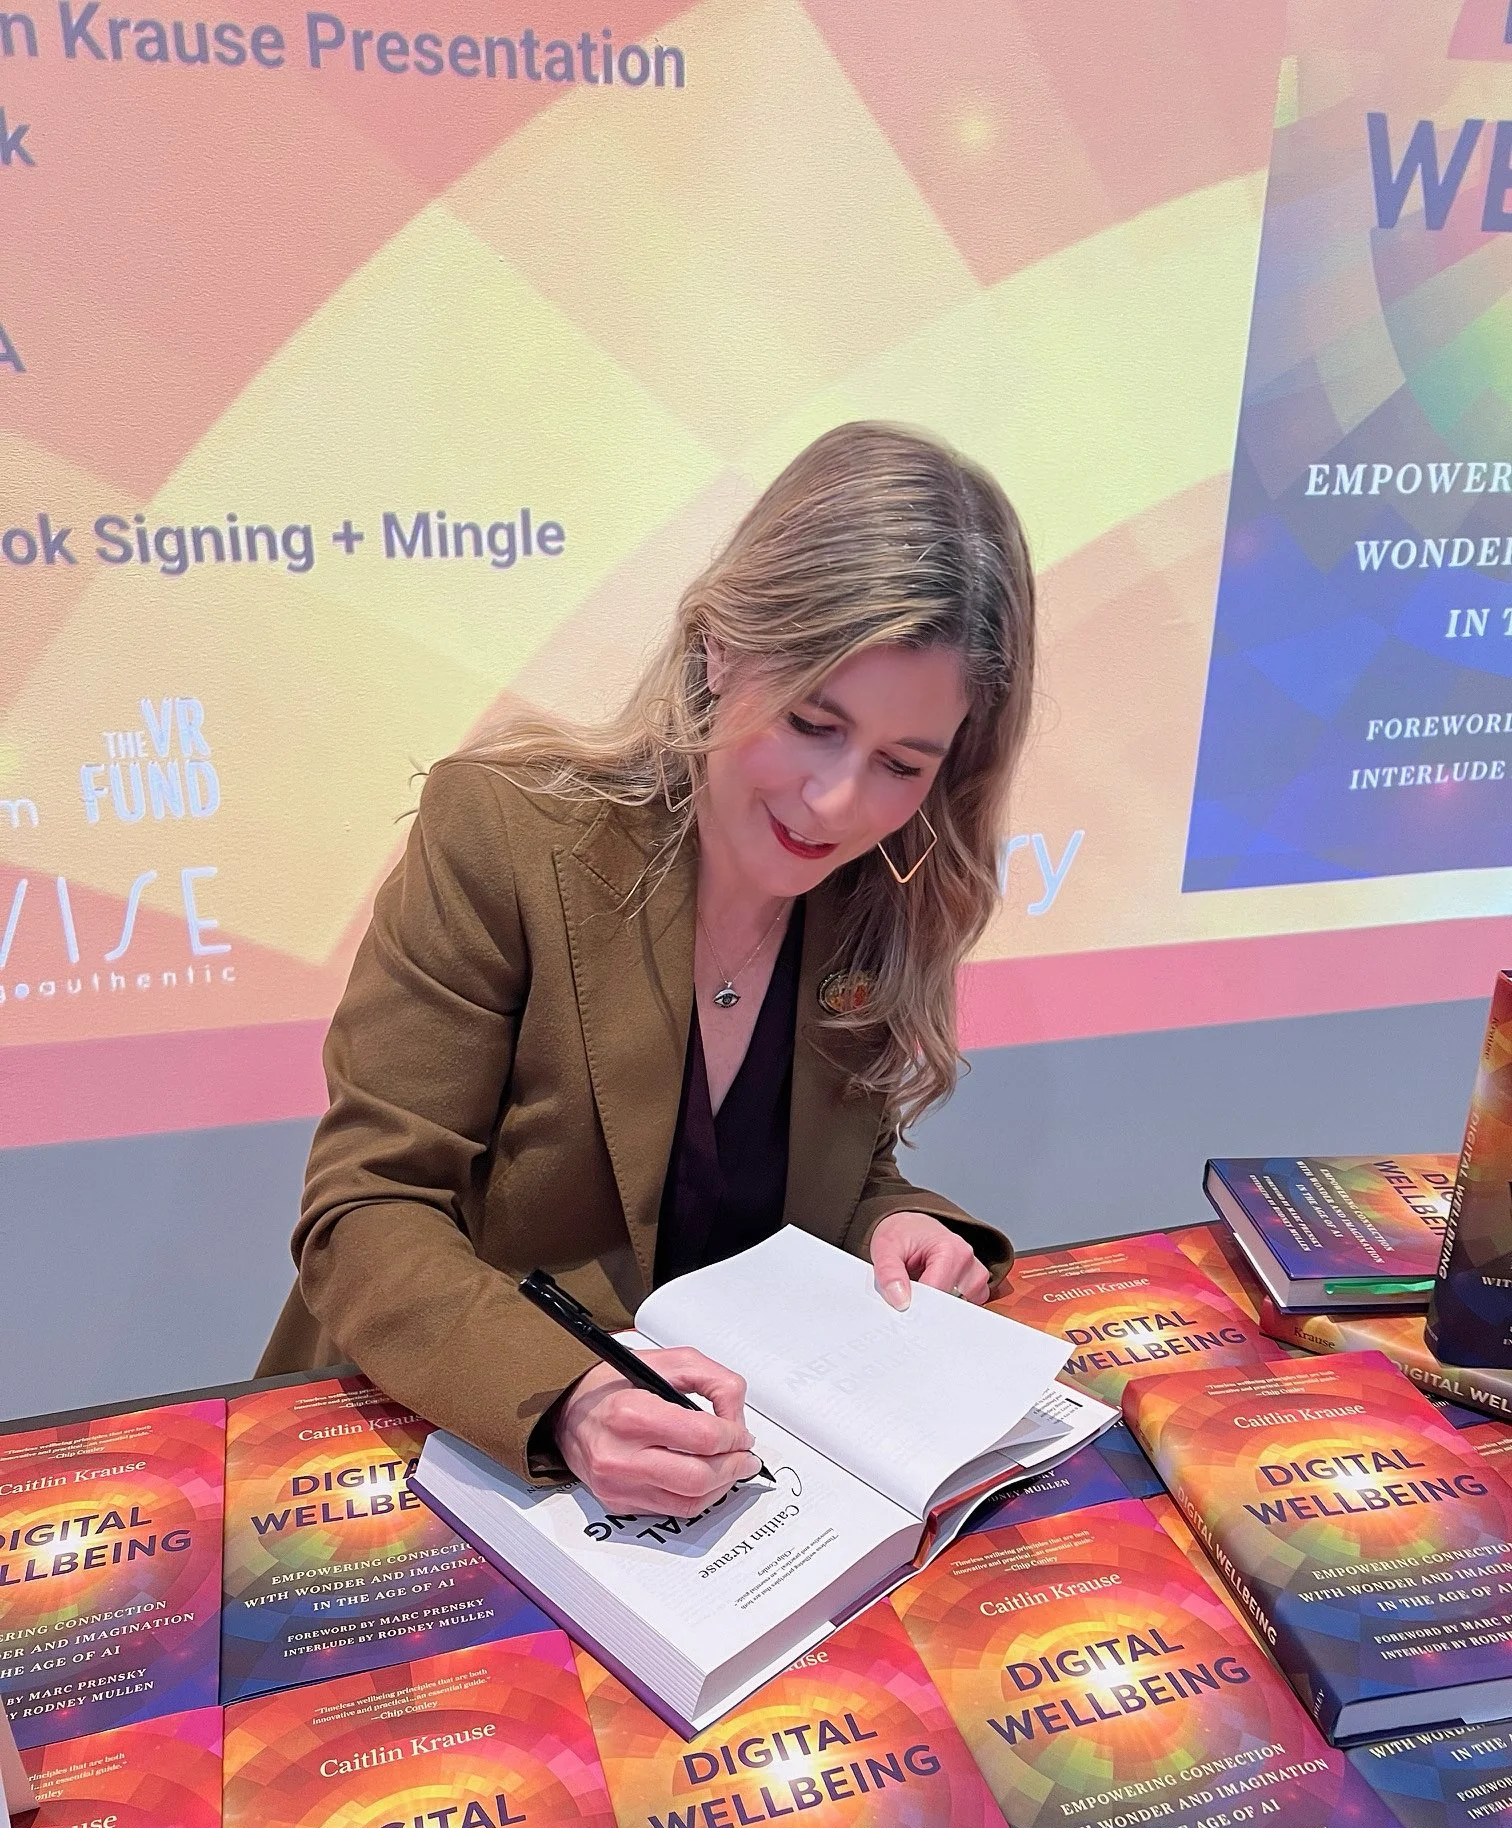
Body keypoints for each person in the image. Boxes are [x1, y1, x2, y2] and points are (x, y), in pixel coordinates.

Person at [259, 421, 1035, 1522]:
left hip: (719, 1488)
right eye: (814, 723)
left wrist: (899, 1231)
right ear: (719, 646)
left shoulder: (882, 894)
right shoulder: (506, 837)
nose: (839, 805)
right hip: (445, 1460)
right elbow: (367, 1210)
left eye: (903, 764)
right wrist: (565, 1398)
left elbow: (828, 1174)